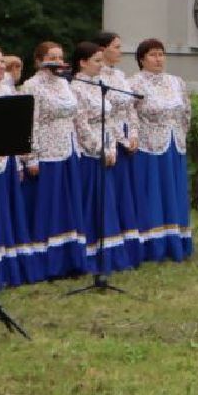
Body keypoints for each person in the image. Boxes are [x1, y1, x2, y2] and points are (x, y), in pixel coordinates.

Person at [0, 45, 44, 286]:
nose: (2, 66)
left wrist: (23, 160)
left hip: (8, 158)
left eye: (2, 62)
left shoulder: (7, 88)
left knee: (8, 211)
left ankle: (12, 266)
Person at [19, 41, 90, 279]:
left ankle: (72, 258)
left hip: (69, 148)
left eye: (60, 57)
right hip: (47, 152)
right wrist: (31, 157)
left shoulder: (64, 84)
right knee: (50, 206)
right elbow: (29, 123)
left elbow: (76, 117)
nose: (58, 61)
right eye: (52, 57)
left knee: (69, 205)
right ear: (39, 60)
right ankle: (49, 263)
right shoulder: (31, 86)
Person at [69, 40, 135, 274]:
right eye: (96, 61)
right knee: (92, 200)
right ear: (82, 62)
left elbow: (111, 117)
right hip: (89, 151)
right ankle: (90, 253)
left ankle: (109, 252)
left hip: (106, 145)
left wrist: (118, 143)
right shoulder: (76, 88)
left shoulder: (99, 85)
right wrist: (99, 149)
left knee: (107, 200)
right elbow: (81, 124)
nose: (101, 65)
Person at [128, 37, 193, 261]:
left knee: (174, 191)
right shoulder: (133, 83)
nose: (158, 59)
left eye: (161, 54)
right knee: (153, 192)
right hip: (149, 146)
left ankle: (176, 239)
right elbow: (130, 114)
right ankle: (153, 243)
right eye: (153, 55)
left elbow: (186, 111)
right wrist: (134, 137)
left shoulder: (176, 82)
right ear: (142, 59)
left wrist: (180, 134)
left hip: (174, 143)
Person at [92, 31, 145, 263]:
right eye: (116, 47)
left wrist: (133, 133)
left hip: (126, 134)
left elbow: (130, 107)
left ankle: (128, 240)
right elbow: (104, 113)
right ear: (102, 49)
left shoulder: (121, 76)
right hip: (109, 137)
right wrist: (119, 139)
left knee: (126, 192)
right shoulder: (95, 77)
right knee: (112, 190)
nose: (120, 51)